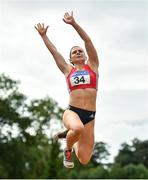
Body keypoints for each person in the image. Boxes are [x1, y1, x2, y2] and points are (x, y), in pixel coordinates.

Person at [35, 11, 99, 168]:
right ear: (70, 59)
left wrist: (73, 24)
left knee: (84, 159)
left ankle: (71, 136)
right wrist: (44, 36)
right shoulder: (67, 70)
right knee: (77, 128)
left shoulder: (93, 66)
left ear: (85, 55)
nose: (78, 52)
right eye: (74, 52)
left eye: (80, 51)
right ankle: (67, 149)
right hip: (73, 112)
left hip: (90, 116)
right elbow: (54, 51)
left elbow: (87, 40)